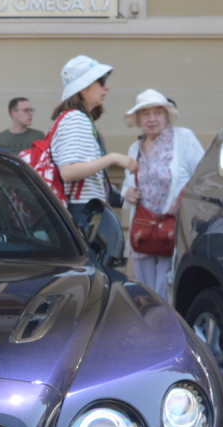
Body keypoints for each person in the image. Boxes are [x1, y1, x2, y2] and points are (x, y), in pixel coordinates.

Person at [121, 89, 205, 298]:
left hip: (173, 227)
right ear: (139, 118)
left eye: (157, 113)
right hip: (144, 228)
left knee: (167, 288)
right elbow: (127, 183)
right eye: (145, 114)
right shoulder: (135, 148)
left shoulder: (183, 138)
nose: (152, 119)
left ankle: (166, 329)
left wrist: (185, 197)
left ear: (167, 115)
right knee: (144, 290)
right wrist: (127, 193)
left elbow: (202, 177)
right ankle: (148, 328)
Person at [49, 55, 136, 233]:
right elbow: (69, 171)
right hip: (81, 211)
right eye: (101, 81)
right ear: (83, 89)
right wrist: (112, 159)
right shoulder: (76, 119)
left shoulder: (75, 118)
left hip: (81, 210)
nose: (107, 87)